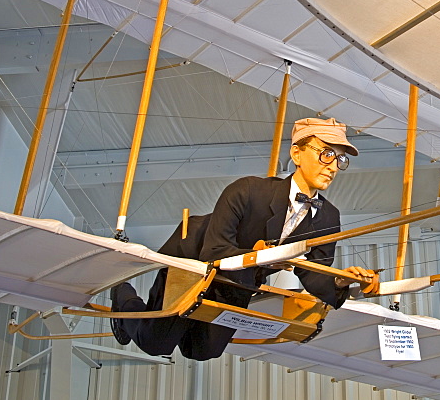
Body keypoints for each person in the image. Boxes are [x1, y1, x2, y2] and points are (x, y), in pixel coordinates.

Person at [110, 117, 378, 360]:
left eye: (340, 160)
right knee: (156, 342)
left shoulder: (328, 217)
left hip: (239, 282)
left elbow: (313, 274)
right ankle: (122, 294)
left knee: (202, 351)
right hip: (193, 262)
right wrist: (256, 255)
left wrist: (342, 281)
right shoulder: (247, 190)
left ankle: (180, 328)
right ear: (296, 153)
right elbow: (213, 251)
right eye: (326, 154)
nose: (333, 167)